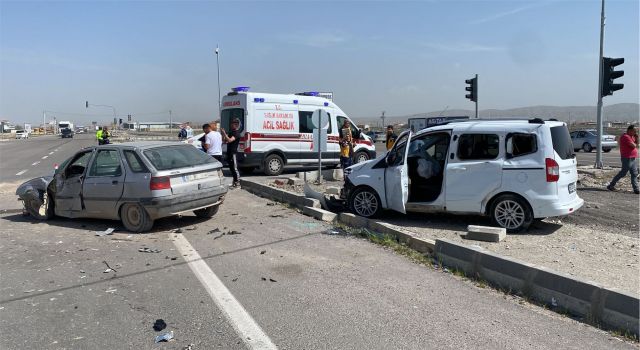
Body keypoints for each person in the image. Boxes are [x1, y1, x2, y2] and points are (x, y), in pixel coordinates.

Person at [608, 125, 639, 194]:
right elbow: (634, 145)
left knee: (634, 173)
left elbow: (637, 144)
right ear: (629, 130)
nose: (635, 132)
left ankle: (636, 189)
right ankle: (611, 185)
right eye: (634, 131)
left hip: (632, 158)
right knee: (623, 173)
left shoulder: (632, 137)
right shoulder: (625, 137)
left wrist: (636, 138)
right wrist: (636, 140)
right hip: (627, 158)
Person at [221, 118, 241, 188]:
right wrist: (224, 135)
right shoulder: (231, 132)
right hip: (229, 153)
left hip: (233, 153)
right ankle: (234, 182)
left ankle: (238, 183)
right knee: (231, 168)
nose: (231, 125)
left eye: (233, 124)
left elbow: (229, 140)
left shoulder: (237, 133)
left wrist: (224, 134)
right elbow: (225, 141)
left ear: (236, 125)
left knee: (235, 168)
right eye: (231, 124)